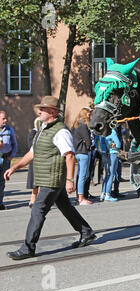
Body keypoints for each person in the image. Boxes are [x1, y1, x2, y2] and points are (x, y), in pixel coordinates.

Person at [4, 96, 96, 260]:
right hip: (47, 177)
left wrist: (70, 180)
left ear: (52, 112)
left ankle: (28, 247)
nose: (39, 111)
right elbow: (32, 153)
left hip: (52, 178)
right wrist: (14, 167)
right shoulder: (43, 129)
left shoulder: (61, 131)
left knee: (38, 210)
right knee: (65, 207)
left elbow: (69, 156)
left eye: (43, 109)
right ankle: (86, 232)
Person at [71, 107, 93, 205]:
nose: (90, 116)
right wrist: (88, 145)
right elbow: (88, 140)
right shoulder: (83, 125)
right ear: (84, 114)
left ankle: (79, 195)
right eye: (88, 114)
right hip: (83, 152)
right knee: (83, 176)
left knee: (80, 175)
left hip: (77, 152)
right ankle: (81, 198)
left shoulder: (74, 125)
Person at [0, 111, 18, 210]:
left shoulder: (9, 130)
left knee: (2, 181)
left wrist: (12, 155)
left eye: (6, 118)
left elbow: (15, 144)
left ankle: (0, 203)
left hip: (6, 158)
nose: (6, 120)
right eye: (3, 119)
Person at [98, 129, 121, 202]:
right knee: (111, 175)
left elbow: (100, 144)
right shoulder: (112, 131)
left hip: (104, 154)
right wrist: (113, 145)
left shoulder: (101, 132)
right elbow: (118, 144)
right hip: (112, 153)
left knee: (107, 174)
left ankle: (103, 194)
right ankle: (108, 194)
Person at [26, 117, 41, 208]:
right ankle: (33, 200)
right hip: (35, 161)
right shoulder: (33, 133)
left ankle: (40, 201)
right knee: (35, 183)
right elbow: (31, 146)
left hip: (43, 161)